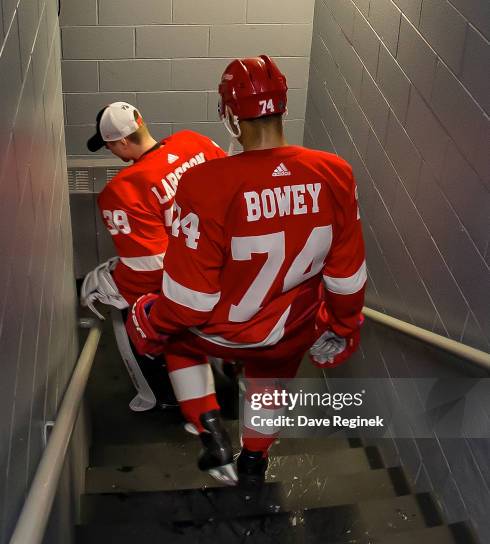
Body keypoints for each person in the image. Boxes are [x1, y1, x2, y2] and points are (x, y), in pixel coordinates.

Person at [126, 56, 366, 485]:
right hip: (287, 332)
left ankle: (210, 432)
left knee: (179, 344)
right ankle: (254, 461)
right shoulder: (335, 172)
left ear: (231, 116)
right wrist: (344, 324)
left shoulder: (205, 182)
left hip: (219, 330)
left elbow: (189, 301)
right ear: (283, 107)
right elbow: (346, 276)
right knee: (268, 384)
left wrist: (149, 321)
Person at [80, 102, 227, 411]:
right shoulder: (195, 141)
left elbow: (151, 267)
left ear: (121, 142)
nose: (111, 151)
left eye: (109, 145)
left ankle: (161, 396)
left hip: (190, 282)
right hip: (232, 265)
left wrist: (115, 282)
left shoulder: (123, 190)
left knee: (125, 309)